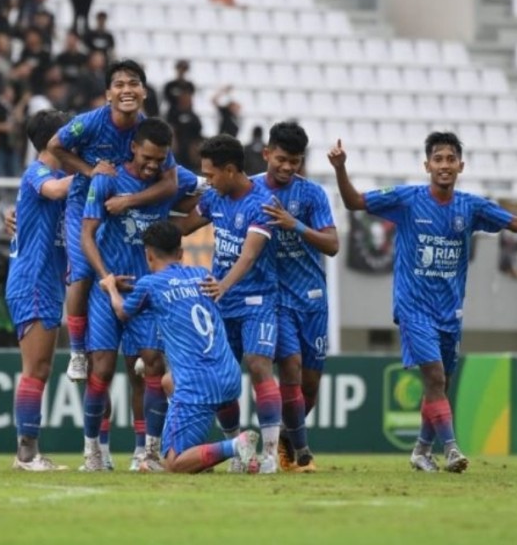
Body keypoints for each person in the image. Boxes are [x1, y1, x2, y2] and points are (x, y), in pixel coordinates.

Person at [328, 131, 517, 473]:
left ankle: (420, 450)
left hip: (450, 310)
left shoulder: (471, 207)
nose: (444, 165)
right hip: (413, 306)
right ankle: (452, 450)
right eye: (438, 159)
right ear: (426, 165)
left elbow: (515, 223)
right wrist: (341, 169)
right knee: (433, 377)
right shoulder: (406, 199)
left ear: (461, 165)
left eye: (450, 159)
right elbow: (354, 202)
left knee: (440, 384)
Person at [46, 59, 177, 383]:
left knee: (138, 266)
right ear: (108, 93)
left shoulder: (148, 130)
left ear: (144, 92)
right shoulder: (89, 123)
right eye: (119, 85)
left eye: (133, 84)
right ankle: (77, 350)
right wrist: (90, 172)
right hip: (83, 200)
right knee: (84, 270)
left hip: (123, 198)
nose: (126, 90)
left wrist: (129, 200)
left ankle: (144, 347)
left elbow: (171, 182)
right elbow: (54, 146)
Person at [101, 221, 261, 474]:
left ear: (148, 255)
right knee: (167, 382)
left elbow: (122, 312)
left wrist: (110, 286)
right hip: (229, 375)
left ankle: (236, 446)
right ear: (180, 253)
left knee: (174, 464)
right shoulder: (201, 275)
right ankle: (230, 453)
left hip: (197, 384)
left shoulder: (150, 285)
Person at [174, 135, 281, 473]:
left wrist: (222, 284)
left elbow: (249, 256)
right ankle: (237, 450)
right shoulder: (214, 199)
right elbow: (184, 225)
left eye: (211, 174)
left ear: (231, 170)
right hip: (222, 300)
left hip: (257, 299)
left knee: (259, 364)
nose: (207, 181)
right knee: (222, 376)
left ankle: (272, 455)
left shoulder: (262, 203)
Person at [79, 118, 176, 472]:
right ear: (134, 146)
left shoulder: (168, 181)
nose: (153, 165)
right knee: (100, 371)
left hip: (146, 291)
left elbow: (202, 195)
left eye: (160, 159)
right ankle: (94, 450)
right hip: (108, 290)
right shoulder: (106, 179)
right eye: (148, 157)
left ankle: (146, 452)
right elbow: (86, 235)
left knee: (149, 367)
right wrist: (105, 278)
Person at [253, 122, 339, 472]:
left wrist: (296, 225)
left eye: (295, 161)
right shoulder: (251, 190)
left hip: (313, 300)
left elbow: (332, 245)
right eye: (282, 159)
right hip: (275, 297)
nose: (288, 167)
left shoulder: (313, 195)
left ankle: (289, 438)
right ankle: (300, 452)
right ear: (267, 154)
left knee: (310, 387)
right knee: (290, 368)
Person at [5, 110, 72, 471]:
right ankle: (26, 454)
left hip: (43, 280)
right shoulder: (39, 173)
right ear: (54, 140)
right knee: (36, 368)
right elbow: (56, 189)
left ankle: (28, 452)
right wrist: (95, 172)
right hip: (33, 281)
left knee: (40, 368)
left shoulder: (55, 174)